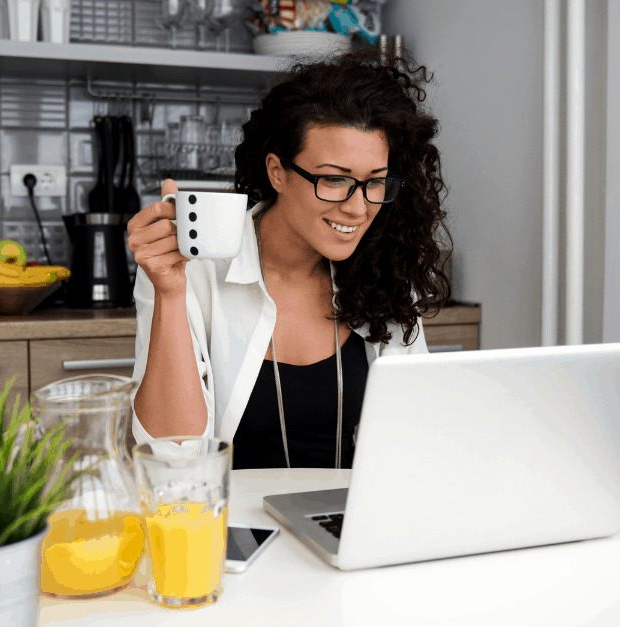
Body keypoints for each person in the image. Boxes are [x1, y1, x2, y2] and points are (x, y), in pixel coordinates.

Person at [126, 48, 451, 469]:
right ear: (278, 172)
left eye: (375, 183)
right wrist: (169, 294)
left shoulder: (384, 270)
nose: (357, 208)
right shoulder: (193, 269)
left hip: (349, 524)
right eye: (334, 180)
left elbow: (416, 439)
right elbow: (173, 457)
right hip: (229, 527)